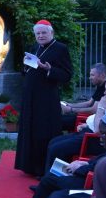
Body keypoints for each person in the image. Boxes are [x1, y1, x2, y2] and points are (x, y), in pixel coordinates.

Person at [43, 75, 106, 175]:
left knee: (57, 148)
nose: (104, 93)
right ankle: (52, 177)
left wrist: (101, 106)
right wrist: (87, 124)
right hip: (90, 133)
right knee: (54, 142)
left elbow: (98, 130)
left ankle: (53, 180)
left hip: (97, 140)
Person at [15, 20, 73, 176]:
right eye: (38, 33)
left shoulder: (60, 49)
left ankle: (42, 169)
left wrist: (49, 69)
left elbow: (67, 75)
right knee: (30, 130)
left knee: (43, 132)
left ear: (51, 33)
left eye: (43, 33)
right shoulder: (35, 48)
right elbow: (28, 70)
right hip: (30, 98)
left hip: (46, 100)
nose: (40, 36)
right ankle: (29, 166)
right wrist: (25, 67)